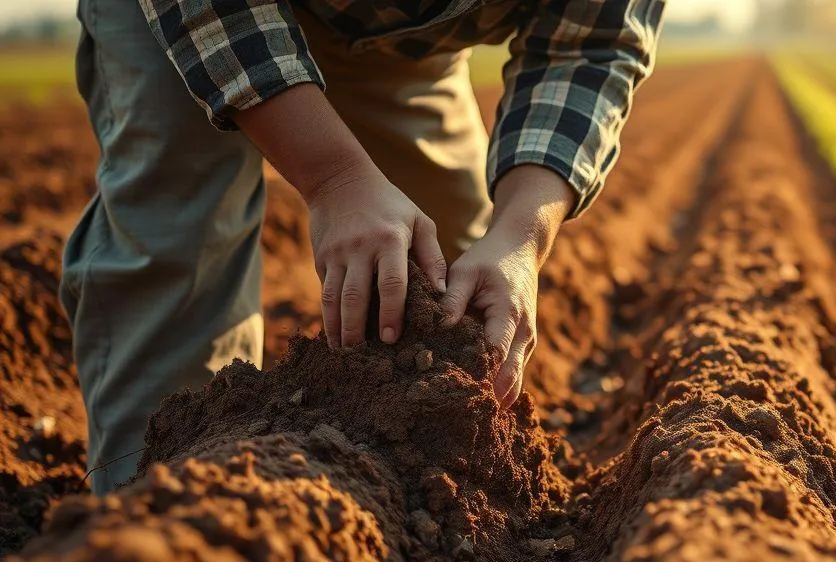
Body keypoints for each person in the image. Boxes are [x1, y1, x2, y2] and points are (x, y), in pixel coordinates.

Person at [61, 0, 664, 493]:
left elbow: (593, 44)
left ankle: (453, 507)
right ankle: (157, 511)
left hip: (405, 40)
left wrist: (520, 238)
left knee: (452, 285)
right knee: (179, 224)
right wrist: (335, 179)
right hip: (195, 17)